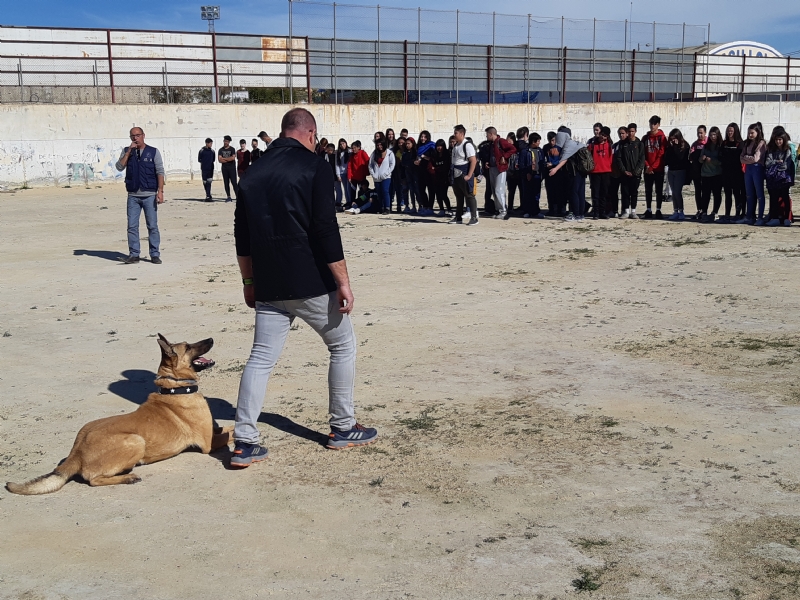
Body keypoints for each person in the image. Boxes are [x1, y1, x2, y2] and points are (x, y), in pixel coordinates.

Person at [232, 107, 377, 466]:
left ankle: (245, 442)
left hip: (268, 281)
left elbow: (242, 237)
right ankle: (342, 427)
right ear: (310, 134)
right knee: (343, 346)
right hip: (310, 279)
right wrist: (343, 282)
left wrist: (249, 282)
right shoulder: (315, 166)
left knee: (260, 359)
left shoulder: (250, 173)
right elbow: (325, 228)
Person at [115, 126, 165, 264]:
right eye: (132, 136)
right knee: (132, 226)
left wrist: (160, 191)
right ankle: (134, 254)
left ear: (143, 135)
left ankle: (154, 254)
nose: (135, 138)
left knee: (152, 226)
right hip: (133, 195)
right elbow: (119, 167)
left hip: (149, 194)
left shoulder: (153, 152)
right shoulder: (127, 151)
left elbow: (160, 172)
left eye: (137, 135)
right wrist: (129, 152)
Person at [548, 126, 588, 222]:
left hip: (574, 173)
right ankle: (580, 214)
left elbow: (564, 159)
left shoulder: (569, 145)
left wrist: (555, 169)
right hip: (581, 172)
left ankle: (575, 214)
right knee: (580, 193)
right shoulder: (575, 143)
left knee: (573, 193)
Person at [448, 124, 478, 226]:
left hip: (464, 173)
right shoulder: (456, 146)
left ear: (461, 134)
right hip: (455, 173)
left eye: (456, 133)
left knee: (469, 196)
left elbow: (473, 161)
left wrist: (469, 175)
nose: (454, 135)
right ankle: (458, 217)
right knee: (459, 196)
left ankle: (474, 217)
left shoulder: (467, 145)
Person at [484, 126, 516, 219]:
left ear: (491, 134)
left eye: (487, 135)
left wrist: (504, 156)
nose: (486, 137)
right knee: (494, 190)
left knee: (499, 189)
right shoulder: (492, 144)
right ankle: (498, 210)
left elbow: (512, 149)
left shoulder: (501, 141)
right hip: (493, 168)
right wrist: (488, 163)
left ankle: (503, 210)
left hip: (500, 168)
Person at [764, 129, 795, 226]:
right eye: (777, 139)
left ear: (784, 140)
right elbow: (767, 163)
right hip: (773, 178)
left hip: (784, 178)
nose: (778, 142)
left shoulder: (787, 150)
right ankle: (775, 217)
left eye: (780, 139)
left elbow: (787, 165)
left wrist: (776, 164)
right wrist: (777, 162)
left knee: (785, 197)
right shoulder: (771, 150)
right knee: (774, 197)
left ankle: (787, 218)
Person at [738, 122, 767, 225]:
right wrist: (747, 159)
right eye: (749, 133)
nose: (750, 135)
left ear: (757, 132)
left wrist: (747, 158)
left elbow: (756, 158)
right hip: (748, 169)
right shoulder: (747, 143)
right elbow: (741, 158)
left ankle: (760, 217)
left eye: (752, 133)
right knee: (749, 194)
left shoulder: (761, 143)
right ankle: (749, 216)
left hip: (757, 168)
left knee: (759, 194)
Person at [614, 123, 645, 219]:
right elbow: (618, 158)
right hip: (625, 173)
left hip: (636, 174)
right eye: (629, 131)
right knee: (625, 192)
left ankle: (633, 211)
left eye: (632, 131)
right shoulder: (623, 144)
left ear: (635, 131)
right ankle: (626, 211)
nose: (631, 133)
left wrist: (636, 172)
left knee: (634, 192)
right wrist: (624, 171)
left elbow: (642, 159)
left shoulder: (639, 144)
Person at [642, 115, 667, 219]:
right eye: (651, 123)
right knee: (648, 190)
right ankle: (648, 209)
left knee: (658, 190)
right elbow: (642, 154)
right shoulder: (645, 138)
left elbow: (661, 154)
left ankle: (658, 210)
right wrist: (647, 166)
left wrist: (653, 167)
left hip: (658, 169)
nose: (652, 126)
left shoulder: (662, 138)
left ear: (658, 125)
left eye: (654, 124)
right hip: (648, 169)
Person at [720, 123, 744, 223]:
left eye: (732, 131)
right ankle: (727, 214)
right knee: (727, 194)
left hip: (737, 173)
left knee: (737, 194)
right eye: (728, 131)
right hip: (726, 173)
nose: (730, 133)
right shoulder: (724, 143)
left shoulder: (740, 143)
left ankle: (738, 214)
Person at [699, 126, 723, 223]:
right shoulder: (706, 146)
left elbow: (722, 161)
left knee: (717, 194)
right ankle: (704, 212)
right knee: (705, 195)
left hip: (717, 174)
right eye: (711, 135)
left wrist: (712, 160)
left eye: (714, 135)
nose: (713, 137)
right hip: (706, 174)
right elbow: (699, 159)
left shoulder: (720, 146)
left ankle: (715, 212)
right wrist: (702, 158)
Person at [665, 129, 690, 221]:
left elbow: (681, 158)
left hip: (680, 171)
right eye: (671, 139)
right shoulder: (670, 146)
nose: (672, 141)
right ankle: (675, 211)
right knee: (673, 192)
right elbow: (667, 158)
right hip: (671, 170)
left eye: (674, 138)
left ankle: (681, 211)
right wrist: (670, 147)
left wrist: (675, 147)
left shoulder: (685, 146)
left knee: (677, 192)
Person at [588, 126, 613, 219]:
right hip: (595, 172)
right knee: (595, 193)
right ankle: (596, 212)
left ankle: (602, 212)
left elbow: (611, 158)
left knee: (604, 193)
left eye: (605, 136)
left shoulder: (609, 145)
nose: (602, 137)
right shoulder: (593, 144)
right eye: (602, 134)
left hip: (606, 171)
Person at [368, 139, 395, 215]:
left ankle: (387, 208)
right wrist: (373, 174)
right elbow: (370, 165)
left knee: (385, 191)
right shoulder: (374, 154)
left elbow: (392, 165)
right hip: (377, 177)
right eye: (378, 145)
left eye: (381, 145)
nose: (379, 147)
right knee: (379, 192)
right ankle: (381, 207)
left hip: (386, 177)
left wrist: (386, 173)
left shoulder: (389, 153)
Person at [414, 130, 436, 216]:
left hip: (429, 171)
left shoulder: (431, 146)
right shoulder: (419, 147)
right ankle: (425, 206)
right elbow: (417, 157)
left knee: (431, 190)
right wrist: (415, 161)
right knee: (421, 190)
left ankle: (430, 207)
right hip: (421, 171)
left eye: (425, 137)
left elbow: (433, 158)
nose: (423, 138)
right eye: (422, 137)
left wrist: (425, 157)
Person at [524, 132, 545, 219]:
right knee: (528, 194)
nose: (539, 143)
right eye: (538, 141)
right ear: (533, 142)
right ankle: (528, 211)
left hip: (537, 175)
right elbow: (522, 164)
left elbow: (542, 162)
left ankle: (536, 211)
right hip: (528, 176)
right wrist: (527, 173)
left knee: (536, 195)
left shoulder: (540, 151)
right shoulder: (525, 151)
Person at [688, 125, 707, 221]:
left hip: (707, 171)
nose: (699, 135)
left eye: (701, 133)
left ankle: (705, 210)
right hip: (696, 171)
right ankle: (699, 209)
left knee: (705, 191)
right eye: (698, 133)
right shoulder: (694, 144)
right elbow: (690, 157)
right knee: (698, 191)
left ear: (705, 133)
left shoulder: (707, 143)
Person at [542, 131, 562, 216]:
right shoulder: (545, 147)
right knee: (550, 192)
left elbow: (562, 159)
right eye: (550, 140)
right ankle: (551, 209)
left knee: (558, 192)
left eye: (553, 140)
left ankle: (559, 210)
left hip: (558, 173)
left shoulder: (559, 148)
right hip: (548, 173)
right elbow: (543, 158)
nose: (551, 142)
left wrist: (554, 164)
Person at [431, 139, 452, 216]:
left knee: (444, 194)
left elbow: (446, 167)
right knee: (438, 194)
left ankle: (449, 209)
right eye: (438, 146)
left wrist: (436, 168)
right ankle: (441, 209)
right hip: (436, 177)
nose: (439, 148)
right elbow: (432, 165)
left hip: (445, 178)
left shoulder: (446, 154)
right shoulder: (434, 155)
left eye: (441, 146)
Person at [402, 137, 419, 213]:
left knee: (417, 190)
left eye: (409, 143)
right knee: (411, 190)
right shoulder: (405, 153)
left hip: (415, 173)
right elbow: (403, 163)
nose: (407, 145)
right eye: (406, 144)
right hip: (408, 173)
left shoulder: (416, 152)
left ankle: (420, 205)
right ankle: (413, 206)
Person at [218, 135, 238, 202]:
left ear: (229, 142)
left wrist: (224, 159)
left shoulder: (232, 149)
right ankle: (228, 196)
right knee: (226, 183)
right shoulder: (221, 150)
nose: (225, 142)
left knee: (234, 183)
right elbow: (220, 160)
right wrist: (227, 159)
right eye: (224, 141)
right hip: (224, 169)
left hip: (232, 168)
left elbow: (232, 158)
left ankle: (238, 196)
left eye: (227, 141)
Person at [506, 131, 520, 215]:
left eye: (508, 139)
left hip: (517, 172)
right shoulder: (507, 149)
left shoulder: (517, 148)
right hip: (510, 173)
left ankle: (522, 206)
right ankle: (510, 207)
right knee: (511, 191)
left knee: (520, 190)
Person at [198, 137, 215, 201]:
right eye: (210, 143)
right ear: (207, 143)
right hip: (204, 168)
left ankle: (208, 195)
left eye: (211, 143)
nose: (211, 145)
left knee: (209, 182)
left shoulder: (212, 151)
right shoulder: (202, 151)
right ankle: (208, 194)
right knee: (205, 182)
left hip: (210, 169)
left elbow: (213, 160)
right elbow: (199, 159)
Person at [335, 138, 351, 208]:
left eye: (343, 143)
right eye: (340, 144)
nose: (342, 145)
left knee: (349, 188)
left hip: (348, 172)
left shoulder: (350, 151)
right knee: (345, 188)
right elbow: (337, 164)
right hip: (342, 173)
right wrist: (338, 175)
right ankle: (348, 201)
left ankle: (350, 201)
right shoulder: (338, 153)